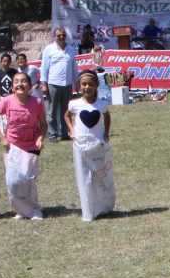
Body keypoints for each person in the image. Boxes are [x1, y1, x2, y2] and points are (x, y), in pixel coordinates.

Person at [0, 72, 47, 220]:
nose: (19, 84)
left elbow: (43, 125)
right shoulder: (7, 101)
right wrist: (2, 138)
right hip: (12, 145)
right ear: (13, 86)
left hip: (31, 146)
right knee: (13, 181)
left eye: (23, 81)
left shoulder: (37, 103)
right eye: (16, 82)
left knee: (28, 180)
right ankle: (20, 210)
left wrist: (40, 138)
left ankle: (34, 210)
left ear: (29, 86)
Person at [65, 70, 116, 221]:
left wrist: (106, 133)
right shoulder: (74, 104)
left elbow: (107, 116)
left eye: (91, 84)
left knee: (100, 176)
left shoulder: (102, 104)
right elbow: (66, 115)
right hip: (80, 146)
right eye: (84, 84)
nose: (87, 87)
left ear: (96, 86)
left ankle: (103, 206)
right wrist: (71, 129)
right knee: (84, 178)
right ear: (79, 86)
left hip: (97, 145)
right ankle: (88, 211)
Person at [41, 28, 77, 142]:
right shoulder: (49, 49)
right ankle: (52, 133)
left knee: (66, 110)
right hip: (53, 84)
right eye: (59, 35)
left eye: (63, 35)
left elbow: (74, 67)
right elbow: (44, 67)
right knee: (52, 110)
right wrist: (44, 83)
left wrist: (76, 82)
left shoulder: (71, 49)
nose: (61, 37)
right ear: (54, 36)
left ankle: (64, 132)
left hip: (67, 84)